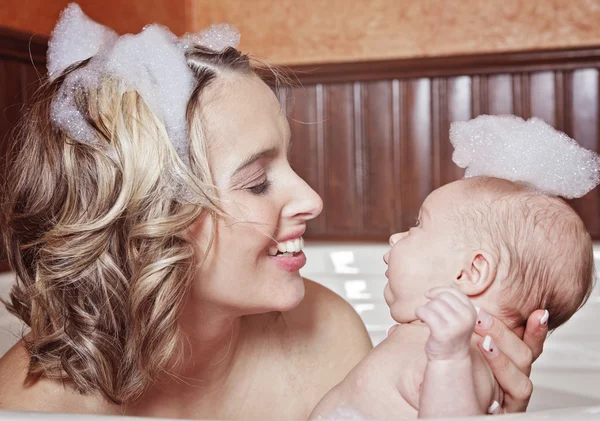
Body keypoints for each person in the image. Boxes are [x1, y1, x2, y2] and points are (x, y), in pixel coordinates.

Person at [0, 5, 547, 419]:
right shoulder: (34, 405)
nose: (313, 198)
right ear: (147, 222)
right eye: (258, 181)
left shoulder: (325, 337)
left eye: (290, 160)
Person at [310, 176, 594, 420]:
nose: (396, 238)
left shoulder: (461, 358)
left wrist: (449, 360)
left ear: (470, 272)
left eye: (419, 224)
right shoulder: (445, 349)